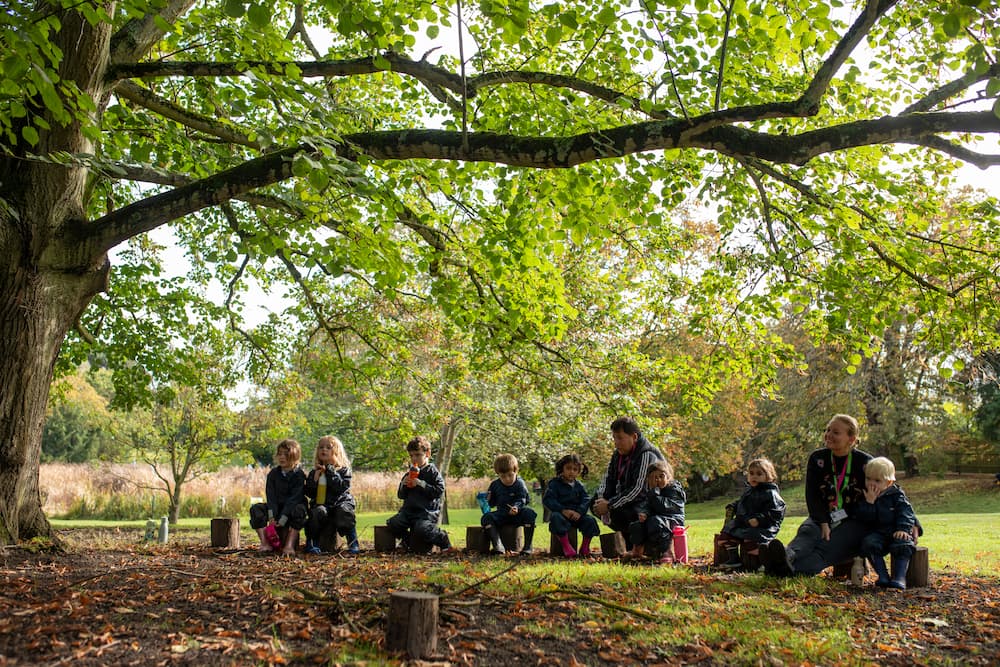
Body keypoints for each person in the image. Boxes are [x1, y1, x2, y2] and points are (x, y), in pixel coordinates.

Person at [764, 414, 873, 576]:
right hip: (823, 516)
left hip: (852, 521)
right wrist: (822, 521)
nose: (828, 435)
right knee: (808, 532)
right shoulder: (818, 458)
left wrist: (912, 522)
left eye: (835, 432)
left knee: (824, 550)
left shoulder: (866, 463)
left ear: (851, 439)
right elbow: (812, 495)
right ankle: (786, 555)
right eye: (827, 430)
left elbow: (892, 489)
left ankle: (783, 569)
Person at [590, 417, 665, 549]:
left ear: (634, 437)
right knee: (594, 503)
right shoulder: (618, 454)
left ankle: (637, 542)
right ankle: (627, 539)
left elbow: (638, 490)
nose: (616, 442)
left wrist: (610, 505)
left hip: (650, 503)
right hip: (631, 500)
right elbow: (607, 478)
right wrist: (602, 499)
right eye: (614, 438)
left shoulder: (646, 454)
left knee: (624, 511)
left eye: (620, 438)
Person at [856, 457, 919, 589]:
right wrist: (870, 503)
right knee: (869, 543)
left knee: (904, 544)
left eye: (877, 481)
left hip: (896, 531)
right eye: (868, 479)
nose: (871, 484)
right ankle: (883, 575)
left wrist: (903, 529)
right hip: (879, 534)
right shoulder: (866, 496)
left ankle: (899, 577)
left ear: (889, 482)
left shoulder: (897, 496)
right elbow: (864, 518)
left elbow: (906, 513)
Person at [386, 436, 455, 553]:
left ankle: (443, 540)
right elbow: (401, 495)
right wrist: (404, 484)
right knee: (393, 523)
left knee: (421, 529)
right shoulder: (409, 473)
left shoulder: (432, 472)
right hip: (408, 512)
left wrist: (421, 484)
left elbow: (439, 490)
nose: (414, 458)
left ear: (427, 454)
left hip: (426, 513)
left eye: (418, 455)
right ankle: (406, 541)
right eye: (411, 455)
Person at [716, 458, 786, 571]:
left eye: (759, 474)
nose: (754, 477)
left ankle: (765, 561)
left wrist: (759, 519)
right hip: (745, 522)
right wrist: (734, 506)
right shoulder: (749, 491)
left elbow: (776, 511)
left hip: (763, 526)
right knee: (726, 536)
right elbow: (742, 503)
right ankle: (734, 559)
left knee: (751, 541)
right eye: (751, 473)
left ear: (768, 476)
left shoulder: (770, 493)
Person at [249, 439, 308, 555]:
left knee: (300, 511)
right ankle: (265, 543)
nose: (282, 457)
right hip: (276, 507)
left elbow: (294, 499)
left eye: (286, 454)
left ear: (294, 456)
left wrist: (283, 519)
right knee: (256, 509)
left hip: (292, 508)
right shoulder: (273, 474)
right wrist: (272, 516)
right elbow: (271, 497)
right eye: (280, 454)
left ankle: (289, 545)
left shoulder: (299, 475)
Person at [303, 435, 359, 555]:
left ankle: (353, 541)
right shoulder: (315, 472)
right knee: (317, 512)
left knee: (344, 511)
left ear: (336, 452)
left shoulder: (343, 470)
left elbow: (341, 488)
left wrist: (330, 471)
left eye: (328, 447)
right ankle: (312, 543)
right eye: (321, 447)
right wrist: (314, 480)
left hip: (340, 502)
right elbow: (309, 493)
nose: (324, 450)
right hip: (322, 504)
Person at [543, 454, 601, 557]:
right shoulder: (554, 484)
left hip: (576, 516)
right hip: (562, 515)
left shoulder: (579, 486)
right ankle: (566, 546)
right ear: (562, 468)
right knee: (555, 517)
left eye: (575, 469)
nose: (571, 472)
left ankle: (584, 547)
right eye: (568, 468)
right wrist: (562, 510)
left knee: (590, 521)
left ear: (578, 472)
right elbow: (548, 499)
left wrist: (579, 512)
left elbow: (585, 500)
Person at [628, 460, 686, 563]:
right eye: (654, 478)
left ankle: (666, 551)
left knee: (656, 522)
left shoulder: (674, 490)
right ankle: (638, 550)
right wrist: (644, 513)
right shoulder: (652, 492)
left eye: (661, 476)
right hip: (657, 518)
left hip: (673, 519)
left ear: (668, 477)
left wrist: (654, 494)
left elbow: (665, 507)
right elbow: (647, 505)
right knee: (637, 525)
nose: (658, 480)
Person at [481, 453, 537, 555]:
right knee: (486, 518)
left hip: (518, 514)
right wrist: (488, 500)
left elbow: (523, 498)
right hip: (502, 514)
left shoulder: (520, 483)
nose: (507, 479)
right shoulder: (495, 485)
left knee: (530, 513)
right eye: (503, 476)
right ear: (498, 474)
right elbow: (492, 504)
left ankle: (527, 546)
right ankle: (498, 545)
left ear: (516, 471)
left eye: (510, 475)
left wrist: (516, 507)